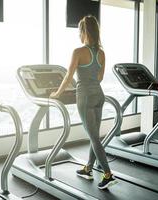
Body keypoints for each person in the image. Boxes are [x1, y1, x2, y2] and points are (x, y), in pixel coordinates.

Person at [49, 15, 117, 189]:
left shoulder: (78, 52)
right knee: (94, 136)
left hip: (85, 97)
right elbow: (100, 77)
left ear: (84, 31)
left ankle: (108, 174)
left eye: (79, 31)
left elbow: (68, 76)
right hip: (99, 96)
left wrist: (57, 93)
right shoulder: (101, 53)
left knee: (94, 137)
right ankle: (88, 168)